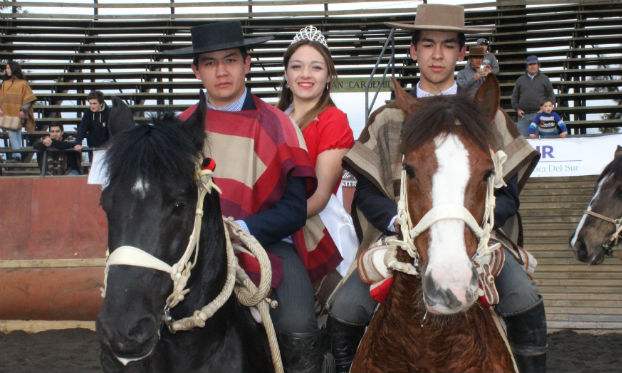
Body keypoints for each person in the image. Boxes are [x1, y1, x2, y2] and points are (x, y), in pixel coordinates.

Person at [328, 4, 547, 373]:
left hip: (479, 236)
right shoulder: (387, 118)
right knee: (345, 308)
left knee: (524, 298)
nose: (437, 54)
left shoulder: (487, 115)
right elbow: (365, 192)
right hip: (398, 238)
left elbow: (508, 193)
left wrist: (475, 227)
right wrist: (398, 224)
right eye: (428, 44)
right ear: (414, 51)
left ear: (462, 53)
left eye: (448, 45)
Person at [165, 21, 341, 373]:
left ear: (246, 64)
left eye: (230, 60)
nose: (221, 71)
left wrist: (241, 228)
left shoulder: (277, 124)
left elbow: (293, 210)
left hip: (266, 244)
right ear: (196, 70)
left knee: (297, 326)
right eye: (210, 63)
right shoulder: (179, 130)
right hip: (194, 251)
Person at [276, 25, 358, 278]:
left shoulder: (334, 120)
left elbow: (320, 195)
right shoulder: (272, 118)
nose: (306, 74)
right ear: (287, 74)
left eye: (316, 67)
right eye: (297, 66)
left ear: (329, 76)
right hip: (270, 225)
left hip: (315, 229)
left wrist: (268, 225)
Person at [0, 61, 36, 162]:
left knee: (13, 132)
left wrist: (23, 110)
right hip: (7, 113)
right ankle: (18, 155)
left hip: (18, 113)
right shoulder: (5, 84)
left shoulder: (23, 84)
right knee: (16, 133)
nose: (6, 70)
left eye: (8, 68)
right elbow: (1, 98)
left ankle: (16, 155)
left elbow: (29, 98)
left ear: (13, 68)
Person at [511, 55, 555, 137]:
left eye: (534, 64)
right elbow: (514, 98)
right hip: (523, 116)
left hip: (540, 115)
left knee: (541, 142)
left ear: (538, 65)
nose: (532, 66)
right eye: (530, 64)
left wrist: (544, 108)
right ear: (527, 67)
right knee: (523, 142)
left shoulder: (545, 79)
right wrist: (517, 109)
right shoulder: (520, 80)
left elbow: (551, 96)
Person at [73, 90, 111, 158]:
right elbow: (82, 127)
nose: (92, 106)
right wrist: (78, 142)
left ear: (101, 103)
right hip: (92, 147)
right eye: (90, 103)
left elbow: (112, 129)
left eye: (94, 103)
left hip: (106, 148)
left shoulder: (109, 113)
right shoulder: (88, 112)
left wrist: (111, 143)